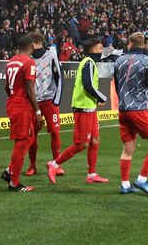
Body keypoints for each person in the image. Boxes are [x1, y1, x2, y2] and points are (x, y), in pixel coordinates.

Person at [46, 37, 108, 184]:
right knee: (81, 144)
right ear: (93, 49)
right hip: (83, 108)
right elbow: (88, 85)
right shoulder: (88, 63)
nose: (101, 51)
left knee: (95, 140)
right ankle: (54, 164)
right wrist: (101, 97)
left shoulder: (89, 62)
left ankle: (92, 174)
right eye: (100, 48)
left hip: (90, 108)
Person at [114, 33, 148, 196]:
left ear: (130, 44)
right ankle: (142, 179)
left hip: (123, 109)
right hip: (139, 109)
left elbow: (117, 85)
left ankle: (125, 184)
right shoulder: (147, 61)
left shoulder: (119, 60)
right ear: (144, 45)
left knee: (128, 148)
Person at [2, 35, 42, 192]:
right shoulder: (29, 62)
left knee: (29, 138)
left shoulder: (11, 60)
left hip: (12, 103)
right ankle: (14, 182)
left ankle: (9, 171)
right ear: (32, 46)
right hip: (22, 106)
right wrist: (38, 111)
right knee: (23, 142)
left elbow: (6, 87)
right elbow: (30, 91)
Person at [26, 32, 63, 176]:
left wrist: (56, 100)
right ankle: (32, 165)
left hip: (49, 101)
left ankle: (56, 164)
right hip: (34, 102)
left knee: (54, 132)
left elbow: (59, 77)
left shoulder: (51, 56)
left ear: (37, 44)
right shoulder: (27, 59)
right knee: (32, 134)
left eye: (31, 43)